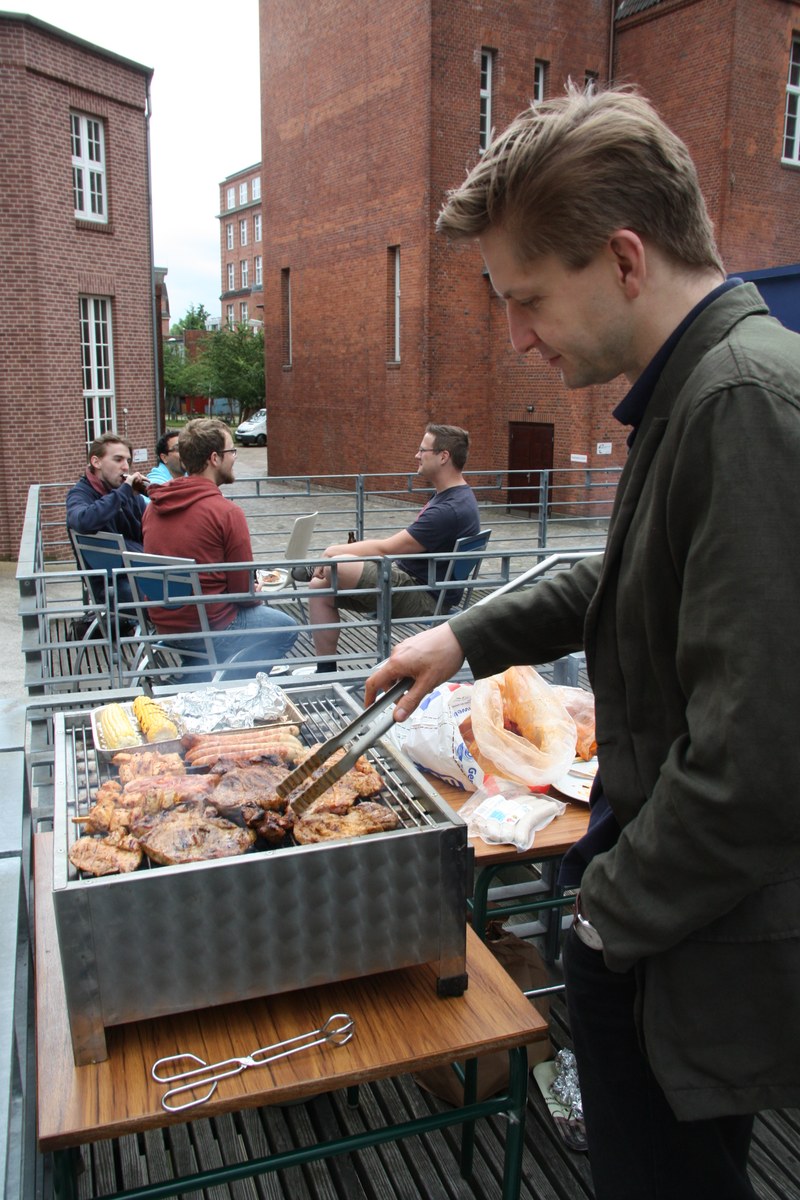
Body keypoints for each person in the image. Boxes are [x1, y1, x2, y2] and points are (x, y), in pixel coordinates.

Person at [366, 85, 800, 1200]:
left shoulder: (740, 403)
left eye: (525, 299)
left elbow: (757, 760)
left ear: (619, 258)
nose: (513, 336)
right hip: (657, 927)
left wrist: (603, 915)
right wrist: (457, 638)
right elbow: (624, 581)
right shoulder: (696, 391)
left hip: (680, 946)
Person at [306, 424, 480, 669]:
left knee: (338, 565)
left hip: (425, 595)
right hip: (415, 582)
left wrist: (331, 552)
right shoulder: (453, 497)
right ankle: (326, 671)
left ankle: (317, 566)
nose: (416, 455)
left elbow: (388, 549)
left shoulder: (449, 509)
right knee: (318, 586)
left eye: (422, 450)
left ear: (443, 456)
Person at [142, 418, 298, 672]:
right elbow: (243, 594)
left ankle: (201, 679)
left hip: (165, 625)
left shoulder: (154, 507)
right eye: (231, 451)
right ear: (214, 458)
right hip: (210, 627)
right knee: (286, 628)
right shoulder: (226, 512)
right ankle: (231, 688)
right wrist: (253, 588)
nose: (234, 457)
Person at [66, 432, 149, 610]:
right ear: (96, 462)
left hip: (140, 571)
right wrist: (123, 493)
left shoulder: (128, 494)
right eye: (118, 460)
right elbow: (83, 521)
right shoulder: (81, 493)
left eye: (128, 461)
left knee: (187, 591)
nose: (125, 467)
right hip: (110, 584)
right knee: (170, 602)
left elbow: (150, 531)